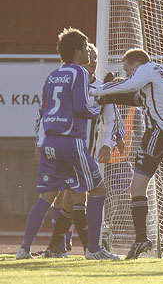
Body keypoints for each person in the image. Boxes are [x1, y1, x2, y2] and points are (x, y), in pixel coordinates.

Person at [16, 28, 119, 260]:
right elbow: (83, 108)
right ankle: (93, 249)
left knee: (48, 196)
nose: (88, 54)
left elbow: (43, 111)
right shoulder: (79, 73)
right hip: (72, 142)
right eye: (85, 49)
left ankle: (24, 248)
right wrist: (99, 105)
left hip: (51, 142)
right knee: (97, 191)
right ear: (76, 51)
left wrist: (39, 143)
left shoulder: (53, 75)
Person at [91, 48, 163, 260]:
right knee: (141, 184)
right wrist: (111, 98)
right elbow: (138, 96)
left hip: (158, 133)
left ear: (136, 64)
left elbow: (131, 85)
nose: (127, 74)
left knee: (137, 187)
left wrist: (100, 90)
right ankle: (145, 236)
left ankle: (142, 239)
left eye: (128, 70)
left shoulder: (144, 71)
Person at [40, 44, 126, 257]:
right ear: (79, 57)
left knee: (69, 200)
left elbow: (111, 118)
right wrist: (40, 143)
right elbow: (45, 115)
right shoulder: (69, 84)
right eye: (91, 57)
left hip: (86, 151)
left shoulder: (100, 87)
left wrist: (109, 143)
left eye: (96, 58)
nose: (94, 61)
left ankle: (54, 249)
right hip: (72, 150)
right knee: (83, 195)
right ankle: (92, 249)